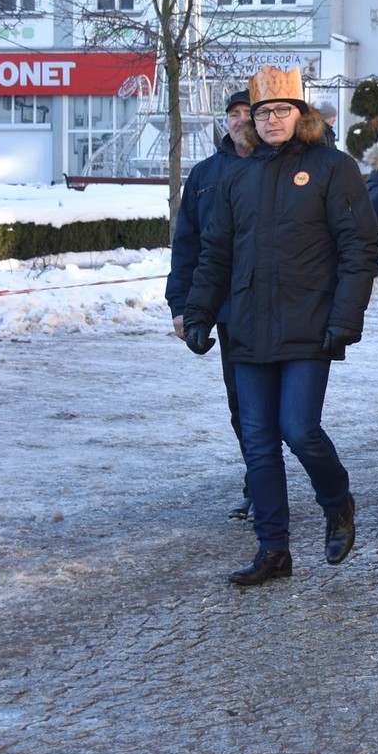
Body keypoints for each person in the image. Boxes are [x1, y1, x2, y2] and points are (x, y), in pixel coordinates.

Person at [183, 67, 378, 586]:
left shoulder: (333, 167)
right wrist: (199, 312)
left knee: (299, 429)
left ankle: (337, 502)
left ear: (300, 114)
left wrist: (346, 317)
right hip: (248, 325)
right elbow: (216, 253)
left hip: (308, 323)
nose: (271, 120)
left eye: (281, 111)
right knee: (258, 442)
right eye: (262, 112)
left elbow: (360, 248)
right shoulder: (238, 176)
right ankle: (273, 549)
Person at [167, 89, 256, 518]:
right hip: (225, 307)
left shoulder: (278, 167)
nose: (240, 120)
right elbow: (186, 244)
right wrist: (181, 304)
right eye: (233, 114)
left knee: (286, 412)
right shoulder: (205, 174)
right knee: (241, 402)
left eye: (248, 112)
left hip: (278, 302)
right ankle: (258, 481)